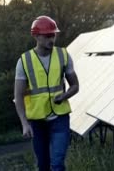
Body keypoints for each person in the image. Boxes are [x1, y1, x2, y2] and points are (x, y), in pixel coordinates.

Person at [14, 15, 79, 171]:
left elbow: (75, 86)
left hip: (60, 118)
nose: (52, 39)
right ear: (36, 36)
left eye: (54, 35)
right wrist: (24, 124)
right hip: (37, 122)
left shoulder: (64, 55)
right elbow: (18, 96)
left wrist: (63, 96)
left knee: (57, 164)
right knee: (43, 165)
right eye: (48, 35)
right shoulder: (24, 61)